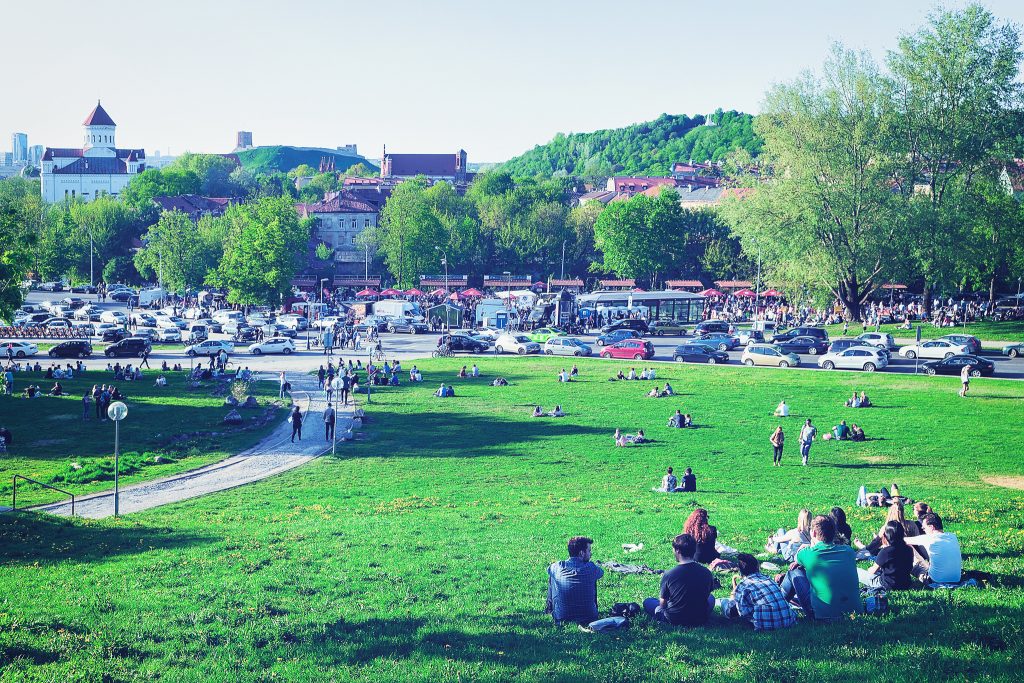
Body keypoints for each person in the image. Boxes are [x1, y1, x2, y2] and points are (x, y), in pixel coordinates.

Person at [778, 515, 860, 620]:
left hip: (822, 616)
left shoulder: (808, 553)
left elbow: (796, 558)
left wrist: (806, 546)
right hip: (854, 613)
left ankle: (778, 604)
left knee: (793, 573)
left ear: (813, 533)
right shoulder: (849, 551)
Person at [643, 533, 715, 626]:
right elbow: (707, 595)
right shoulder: (706, 572)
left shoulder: (669, 574)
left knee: (648, 601)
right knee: (711, 598)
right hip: (700, 618)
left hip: (674, 619)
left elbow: (663, 604)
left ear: (678, 551)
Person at [718, 553, 797, 631]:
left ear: (740, 570)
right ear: (757, 566)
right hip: (788, 621)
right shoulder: (768, 579)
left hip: (765, 626)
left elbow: (740, 612)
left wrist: (733, 596)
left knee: (725, 603)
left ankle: (723, 601)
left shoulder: (743, 584)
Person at [546, 536, 604, 626]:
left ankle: (549, 609)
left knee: (553, 576)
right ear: (581, 553)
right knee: (592, 577)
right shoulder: (591, 568)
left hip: (562, 617)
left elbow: (549, 570)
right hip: (590, 617)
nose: (591, 554)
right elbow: (601, 572)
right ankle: (591, 607)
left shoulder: (557, 567)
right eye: (589, 551)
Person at [904, 513, 962, 584]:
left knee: (908, 546)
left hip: (935, 580)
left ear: (931, 527)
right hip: (956, 579)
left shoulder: (929, 538)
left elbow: (902, 540)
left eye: (924, 528)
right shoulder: (953, 536)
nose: (923, 531)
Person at [858, 522, 913, 590]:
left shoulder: (886, 552)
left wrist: (869, 569)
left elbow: (872, 571)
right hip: (906, 584)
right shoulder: (909, 549)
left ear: (886, 536)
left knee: (857, 571)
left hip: (888, 584)